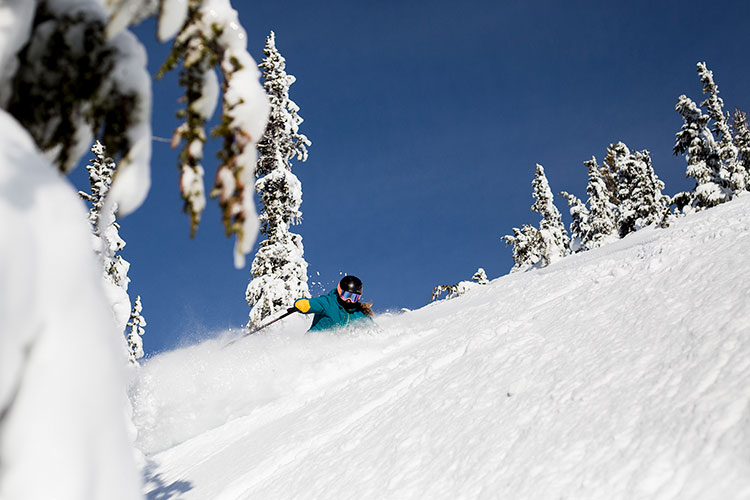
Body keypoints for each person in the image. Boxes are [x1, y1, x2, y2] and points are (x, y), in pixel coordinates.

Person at [294, 275, 375, 332]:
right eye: (346, 295)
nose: (349, 300)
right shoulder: (329, 303)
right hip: (312, 344)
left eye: (354, 297)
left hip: (335, 352)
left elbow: (374, 330)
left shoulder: (359, 314)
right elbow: (316, 303)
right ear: (339, 291)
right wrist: (305, 304)